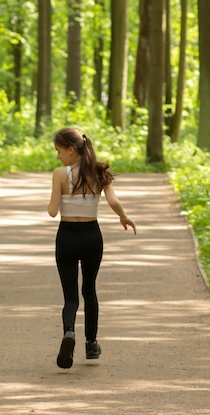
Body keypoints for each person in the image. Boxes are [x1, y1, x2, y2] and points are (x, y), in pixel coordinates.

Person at [47, 127, 137, 369]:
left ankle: (69, 333)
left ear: (70, 149)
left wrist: (60, 193)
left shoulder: (59, 174)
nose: (57, 157)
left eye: (58, 151)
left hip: (66, 237)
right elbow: (113, 201)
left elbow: (52, 211)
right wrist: (123, 217)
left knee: (70, 296)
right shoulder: (99, 172)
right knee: (90, 290)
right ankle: (91, 344)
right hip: (91, 237)